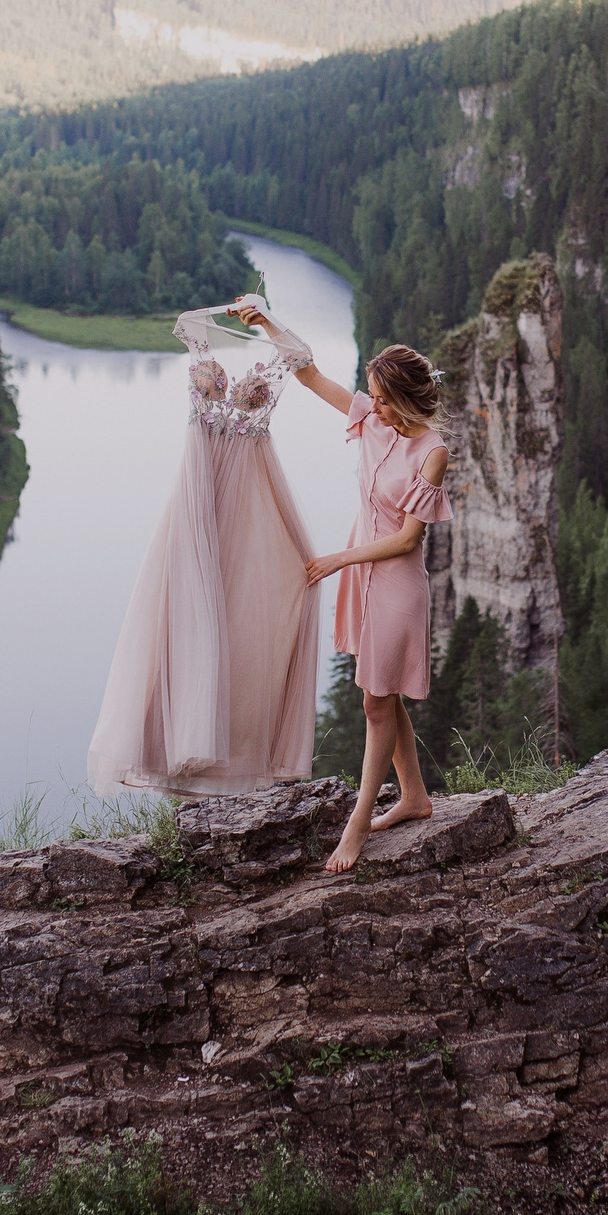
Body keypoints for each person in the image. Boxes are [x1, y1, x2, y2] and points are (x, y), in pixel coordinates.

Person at [232, 299, 450, 871]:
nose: (372, 406)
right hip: (362, 572)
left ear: (406, 398)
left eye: (382, 398)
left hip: (396, 585)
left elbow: (408, 539)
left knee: (376, 702)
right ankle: (414, 797)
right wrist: (268, 320)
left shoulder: (433, 452)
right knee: (380, 695)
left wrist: (337, 559)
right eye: (372, 396)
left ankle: (358, 824)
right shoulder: (372, 420)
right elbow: (309, 374)